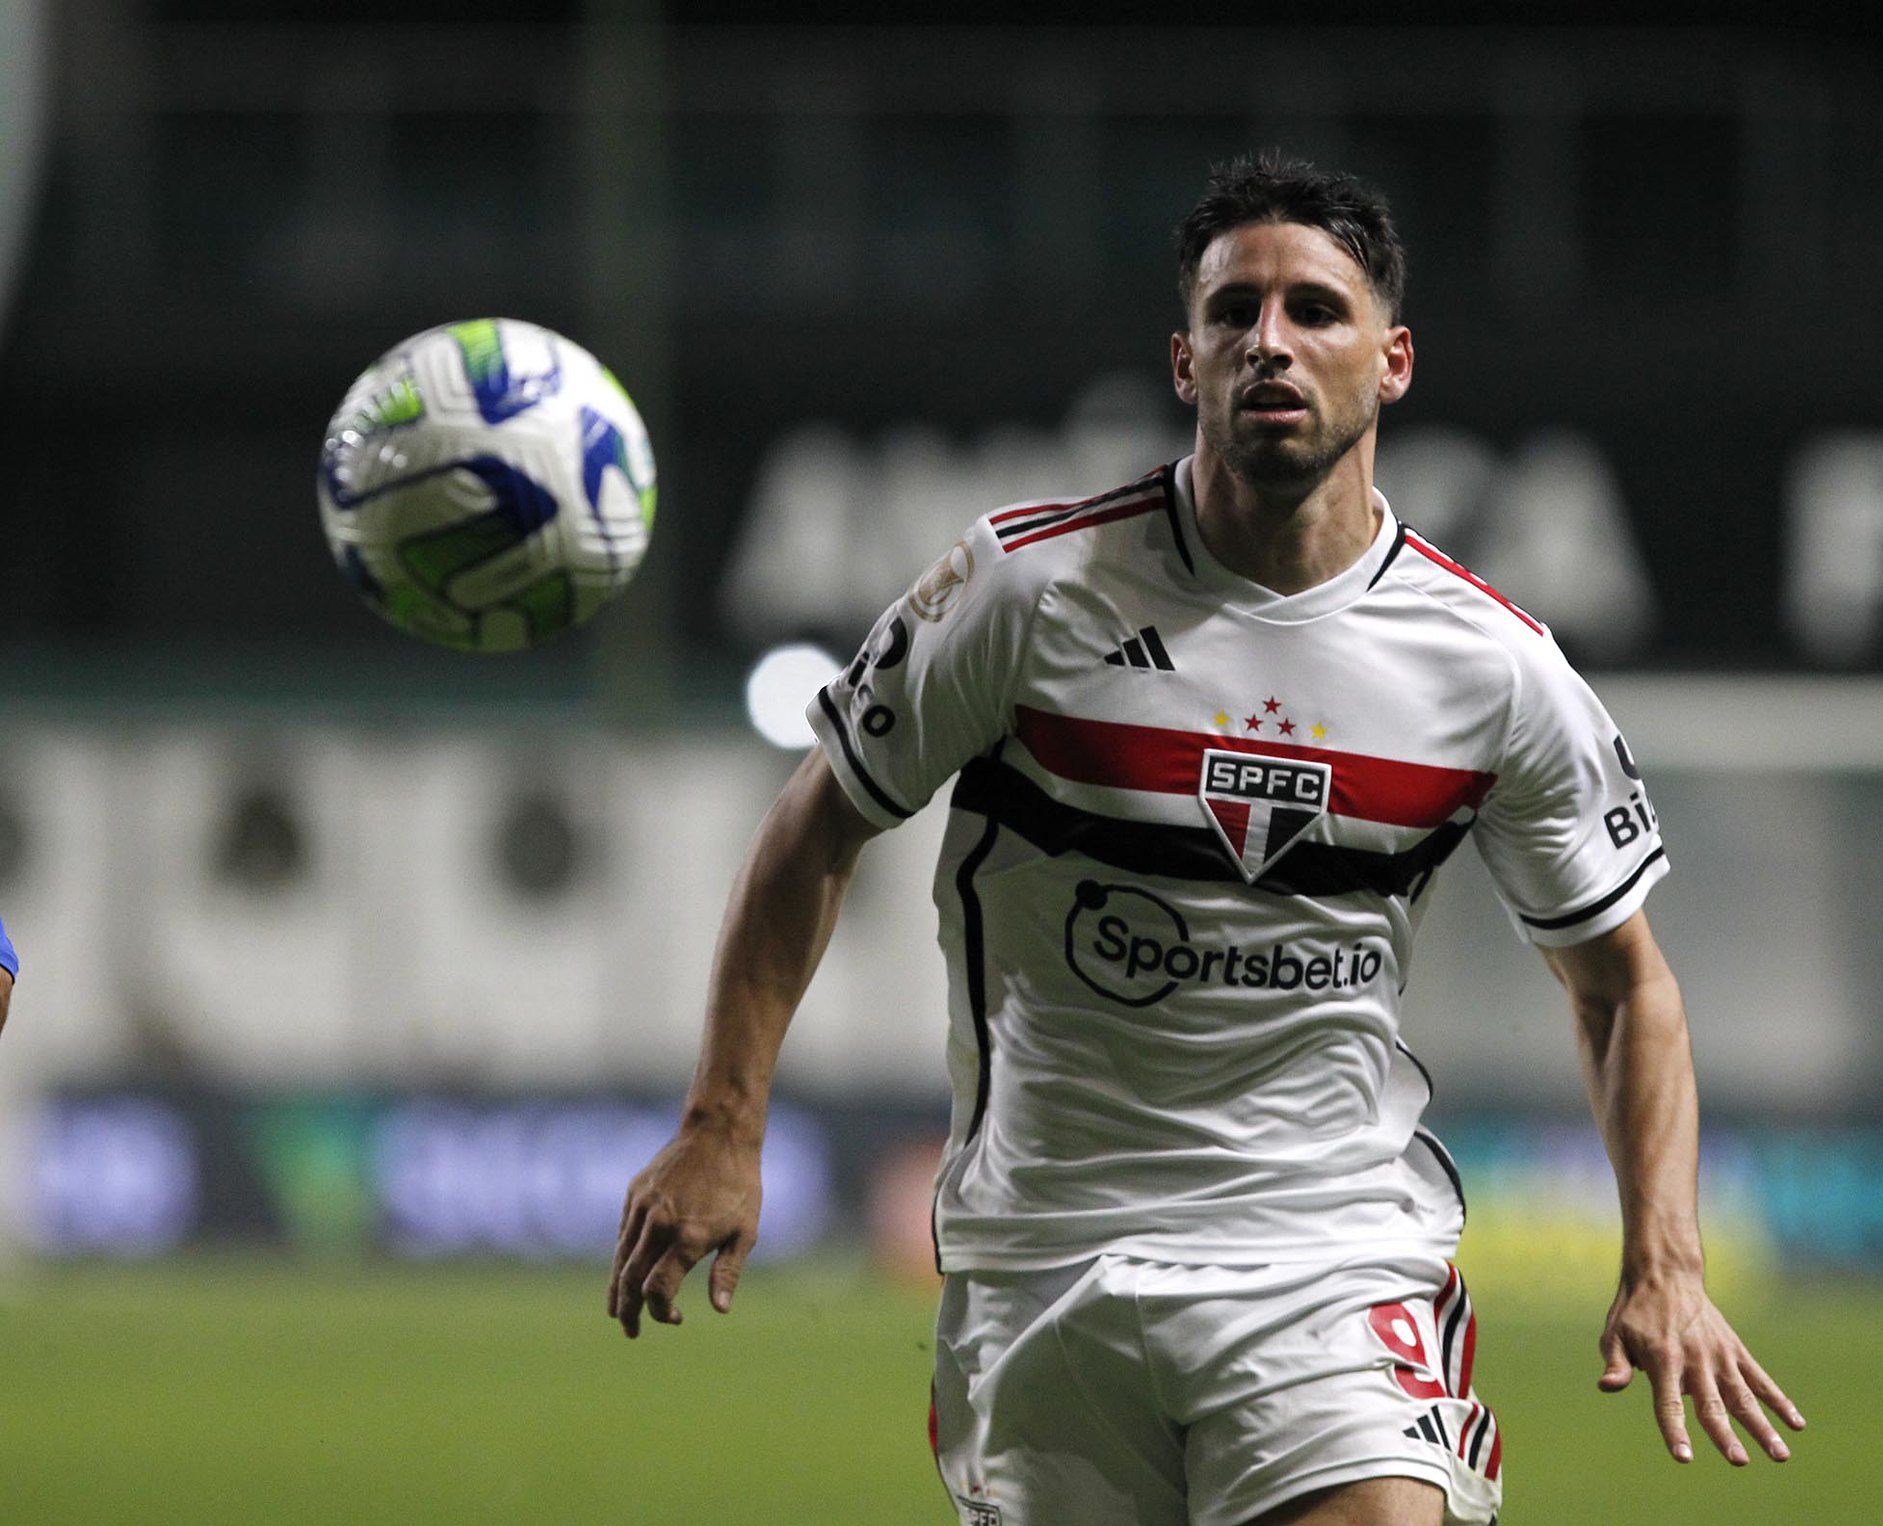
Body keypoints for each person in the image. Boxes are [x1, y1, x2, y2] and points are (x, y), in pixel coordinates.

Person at [609, 151, 1803, 1526]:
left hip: (1330, 1251)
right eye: (1235, 314)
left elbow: (1625, 985)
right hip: (1044, 1252)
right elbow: (816, 830)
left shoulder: (1496, 670)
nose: (1271, 343)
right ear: (1186, 362)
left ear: (1394, 361)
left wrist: (1668, 1255)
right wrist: (721, 1123)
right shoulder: (1024, 590)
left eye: (1315, 310)